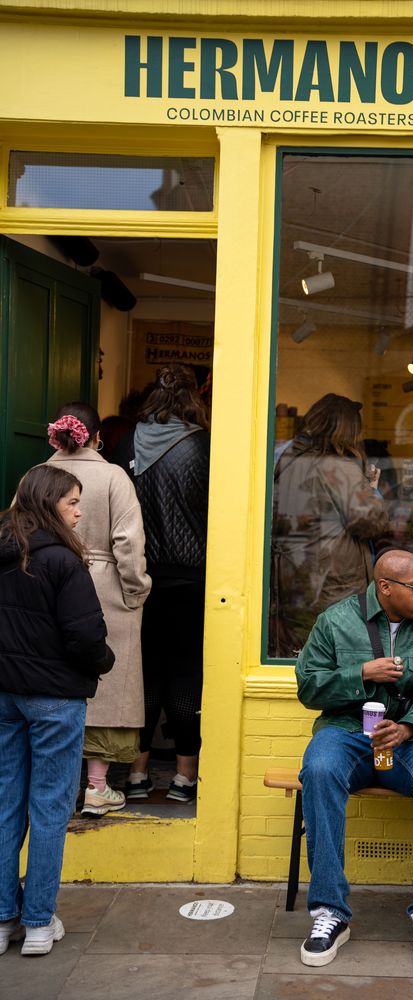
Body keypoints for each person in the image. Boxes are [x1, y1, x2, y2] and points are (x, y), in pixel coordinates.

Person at [296, 548, 413, 969]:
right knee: (318, 768)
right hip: (348, 733)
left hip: (411, 737)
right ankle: (329, 912)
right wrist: (361, 675)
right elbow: (309, 689)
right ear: (384, 587)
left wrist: (408, 728)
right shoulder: (334, 621)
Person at [0, 466, 114, 956]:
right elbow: (86, 636)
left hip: (4, 695)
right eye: (71, 502)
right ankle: (40, 923)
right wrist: (104, 662)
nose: (78, 510)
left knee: (6, 805)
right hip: (54, 699)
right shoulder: (63, 561)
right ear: (50, 505)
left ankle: (3, 919)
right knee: (49, 809)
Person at [45, 403, 151, 817]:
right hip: (106, 585)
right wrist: (136, 590)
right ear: (96, 436)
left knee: (59, 680)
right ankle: (97, 787)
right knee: (106, 686)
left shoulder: (38, 475)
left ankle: (64, 786)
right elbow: (128, 541)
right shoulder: (113, 476)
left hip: (49, 584)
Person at [116, 364, 210, 804]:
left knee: (144, 673)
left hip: (136, 578)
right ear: (194, 395)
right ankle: (184, 777)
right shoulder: (204, 446)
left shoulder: (125, 442)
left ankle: (136, 774)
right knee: (187, 673)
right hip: (192, 580)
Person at [270, 394, 389, 657]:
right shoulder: (337, 467)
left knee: (302, 655)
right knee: (337, 658)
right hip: (333, 583)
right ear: (348, 430)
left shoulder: (286, 459)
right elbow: (372, 521)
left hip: (293, 579)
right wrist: (372, 491)